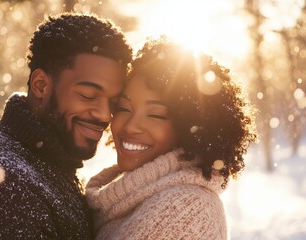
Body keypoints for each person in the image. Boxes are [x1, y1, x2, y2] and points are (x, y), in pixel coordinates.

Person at [0, 13, 132, 240]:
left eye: (113, 102)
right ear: (41, 85)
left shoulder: (50, 166)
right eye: (88, 95)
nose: (105, 115)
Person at [86, 38, 257, 240]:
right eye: (123, 108)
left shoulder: (187, 207)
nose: (130, 125)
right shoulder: (121, 197)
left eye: (156, 115)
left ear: (191, 129)